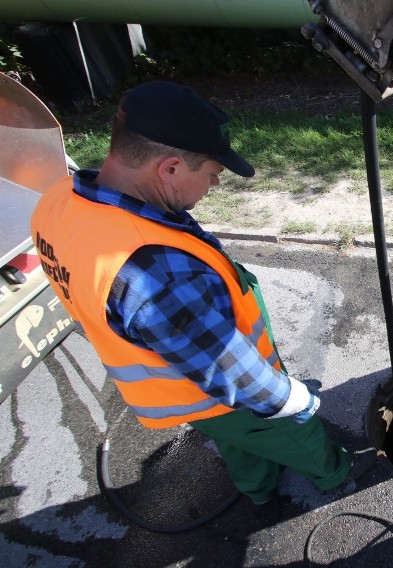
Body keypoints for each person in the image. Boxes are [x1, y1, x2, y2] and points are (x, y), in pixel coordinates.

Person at [31, 80, 375, 505]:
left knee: (236, 439)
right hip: (217, 388)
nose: (214, 185)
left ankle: (258, 488)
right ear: (170, 168)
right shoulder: (155, 272)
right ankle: (333, 471)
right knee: (290, 431)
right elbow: (232, 371)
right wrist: (291, 398)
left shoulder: (58, 201)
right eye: (212, 174)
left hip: (187, 395)